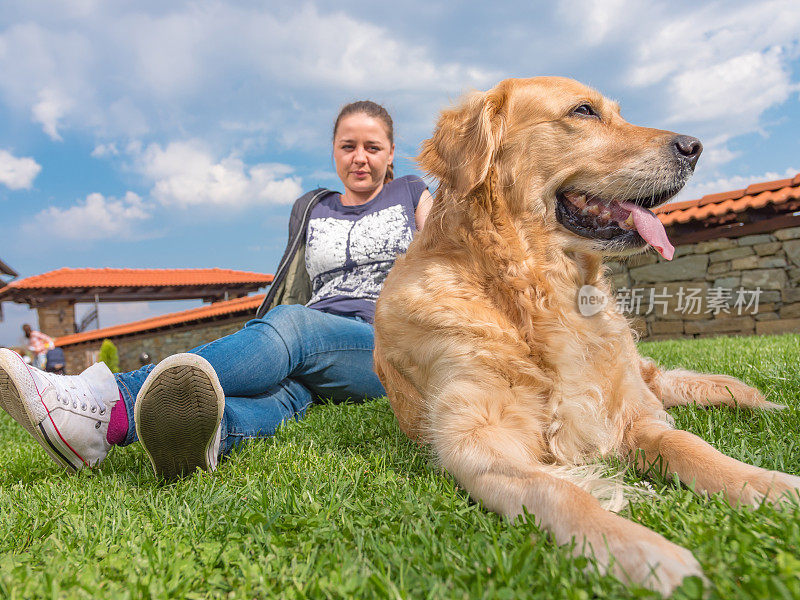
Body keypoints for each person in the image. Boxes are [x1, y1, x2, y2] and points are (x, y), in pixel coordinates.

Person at [0, 100, 433, 479]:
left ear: (391, 152)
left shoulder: (411, 192)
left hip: (382, 343)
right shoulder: (312, 207)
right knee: (283, 395)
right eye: (348, 146)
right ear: (334, 151)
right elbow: (294, 281)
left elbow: (451, 257)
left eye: (373, 147)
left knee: (294, 325)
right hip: (316, 343)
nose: (360, 158)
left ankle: (104, 404)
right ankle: (206, 433)